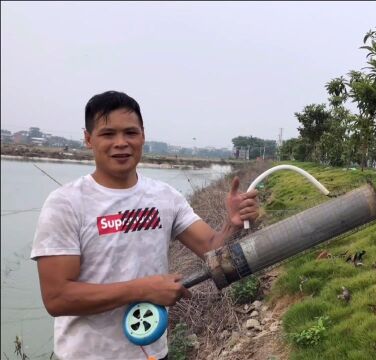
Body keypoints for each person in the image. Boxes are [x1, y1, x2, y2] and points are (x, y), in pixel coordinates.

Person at [30, 90, 259, 360]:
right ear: (88, 139)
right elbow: (57, 297)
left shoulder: (165, 197)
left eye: (130, 133)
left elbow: (210, 247)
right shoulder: (65, 204)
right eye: (107, 134)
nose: (121, 143)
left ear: (143, 135)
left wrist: (231, 224)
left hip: (152, 352)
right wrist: (143, 289)